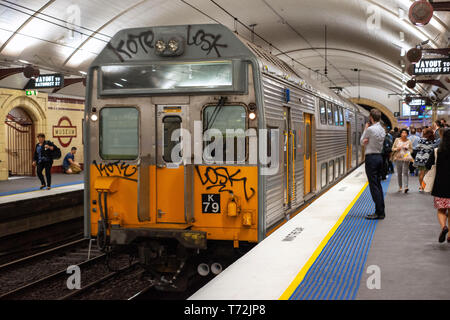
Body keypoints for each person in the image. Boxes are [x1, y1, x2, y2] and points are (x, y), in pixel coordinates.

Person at [361, 109, 386, 220]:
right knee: (378, 185)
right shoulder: (382, 129)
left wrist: (366, 128)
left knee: (373, 186)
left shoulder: (370, 129)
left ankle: (379, 212)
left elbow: (362, 141)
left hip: (371, 158)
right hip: (379, 157)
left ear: (371, 117)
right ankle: (380, 210)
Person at [425, 128, 450, 243]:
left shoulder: (437, 151)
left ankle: (444, 227)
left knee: (441, 210)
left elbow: (428, 165)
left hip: (440, 186)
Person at [414, 128, 438, 192]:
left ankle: (421, 187)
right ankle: (427, 186)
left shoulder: (421, 140)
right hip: (430, 159)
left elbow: (417, 147)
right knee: (428, 173)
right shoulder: (434, 140)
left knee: (421, 173)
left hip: (421, 158)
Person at [391, 128, 413, 193]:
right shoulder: (397, 140)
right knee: (399, 173)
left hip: (406, 158)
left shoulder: (409, 141)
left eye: (405, 133)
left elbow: (411, 150)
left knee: (405, 172)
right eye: (403, 133)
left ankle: (406, 187)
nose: (404, 134)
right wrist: (397, 149)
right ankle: (400, 187)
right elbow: (392, 148)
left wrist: (408, 149)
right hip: (398, 158)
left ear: (407, 134)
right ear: (400, 134)